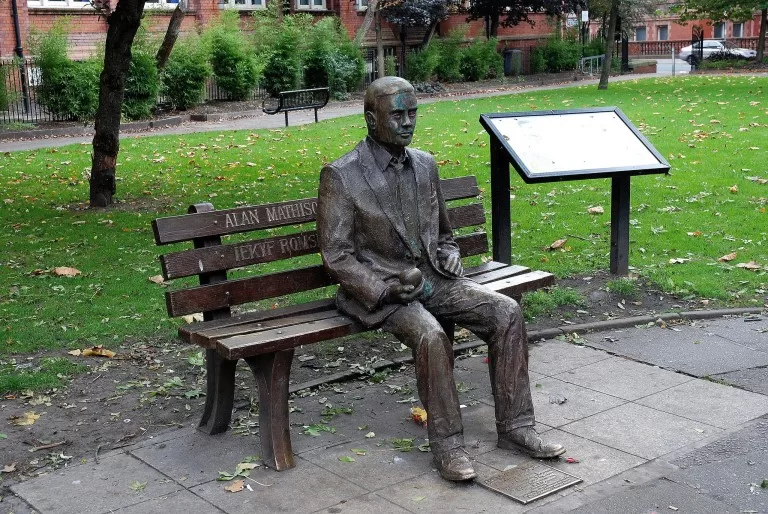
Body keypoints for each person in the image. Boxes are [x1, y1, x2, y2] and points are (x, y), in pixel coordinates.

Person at [317, 76, 564, 482]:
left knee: (506, 312)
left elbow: (444, 235)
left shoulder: (425, 164)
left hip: (433, 279)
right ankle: (448, 447)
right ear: (370, 118)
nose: (407, 122)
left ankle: (517, 428)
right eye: (397, 114)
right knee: (431, 335)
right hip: (380, 292)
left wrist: (449, 255)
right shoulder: (342, 175)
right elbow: (337, 256)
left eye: (412, 112)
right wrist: (383, 288)